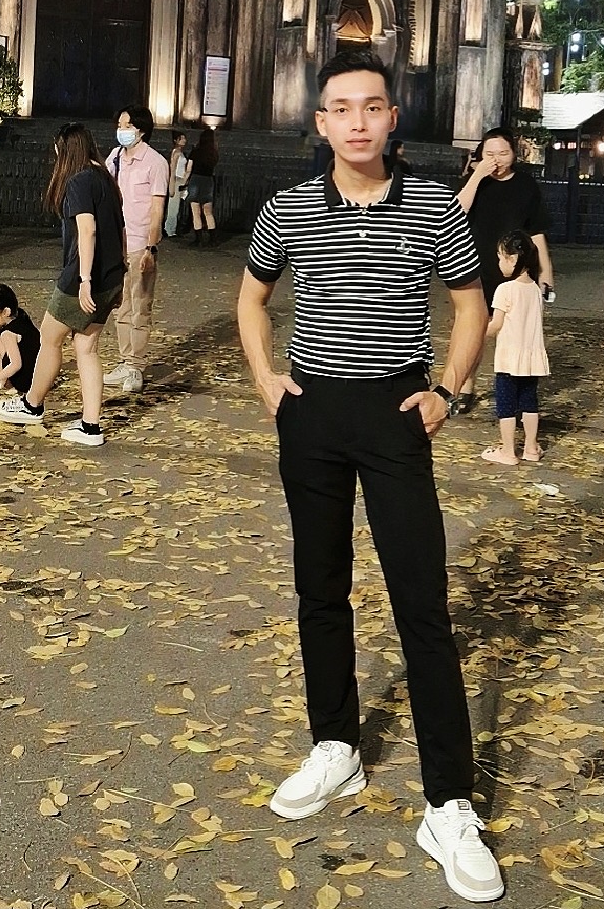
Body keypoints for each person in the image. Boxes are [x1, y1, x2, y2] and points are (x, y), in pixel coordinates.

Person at [237, 48, 503, 905]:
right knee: (319, 587)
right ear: (321, 123)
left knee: (420, 601)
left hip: (396, 412)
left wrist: (447, 391)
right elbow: (252, 298)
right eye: (341, 108)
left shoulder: (433, 207)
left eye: (372, 106)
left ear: (392, 117)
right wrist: (265, 378)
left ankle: (447, 802)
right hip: (311, 411)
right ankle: (335, 746)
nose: (357, 121)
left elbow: (470, 304)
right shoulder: (287, 209)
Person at [0, 123, 125, 447]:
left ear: (64, 149)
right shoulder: (105, 177)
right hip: (110, 276)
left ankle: (31, 405)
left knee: (50, 339)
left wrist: (84, 280)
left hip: (83, 278)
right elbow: (121, 228)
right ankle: (91, 427)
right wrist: (121, 275)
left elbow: (88, 231)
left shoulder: (79, 180)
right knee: (87, 348)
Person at [455, 128, 554, 414]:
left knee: (516, 334)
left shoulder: (526, 186)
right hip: (474, 268)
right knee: (472, 330)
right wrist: (477, 175)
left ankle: (516, 394)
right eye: (489, 154)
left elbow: (536, 231)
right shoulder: (475, 182)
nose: (496, 159)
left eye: (503, 153)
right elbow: (456, 212)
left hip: (516, 272)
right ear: (479, 155)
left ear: (514, 154)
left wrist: (546, 271)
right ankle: (465, 387)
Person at [103, 106, 169, 393]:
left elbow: (157, 209)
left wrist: (151, 248)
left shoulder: (156, 163)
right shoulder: (115, 157)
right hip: (117, 243)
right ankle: (124, 360)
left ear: (141, 129)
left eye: (127, 125)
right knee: (121, 306)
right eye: (119, 125)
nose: (122, 130)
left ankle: (136, 366)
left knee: (140, 305)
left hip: (140, 243)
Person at [481, 231, 550, 467]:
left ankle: (508, 451)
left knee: (506, 405)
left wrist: (478, 333)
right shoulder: (536, 290)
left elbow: (496, 324)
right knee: (530, 402)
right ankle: (531, 447)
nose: (499, 263)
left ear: (512, 259)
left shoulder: (505, 289)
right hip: (531, 358)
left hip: (509, 359)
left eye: (500, 257)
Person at [0, 284, 40, 396]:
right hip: (39, 375)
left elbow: (16, 364)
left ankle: (5, 382)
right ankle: (5, 380)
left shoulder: (8, 334)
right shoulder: (21, 317)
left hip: (26, 383)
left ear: (6, 312)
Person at [182, 127, 219, 247]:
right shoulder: (213, 153)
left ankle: (198, 239)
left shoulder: (195, 152)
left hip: (196, 180)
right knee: (208, 212)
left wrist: (184, 182)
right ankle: (213, 239)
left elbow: (189, 169)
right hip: (208, 181)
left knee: (196, 212)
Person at [164, 130, 188, 238]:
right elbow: (173, 169)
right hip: (177, 180)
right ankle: (170, 229)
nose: (184, 140)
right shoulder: (176, 153)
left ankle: (172, 228)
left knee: (177, 206)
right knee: (173, 206)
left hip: (181, 180)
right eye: (181, 138)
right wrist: (172, 184)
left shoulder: (180, 152)